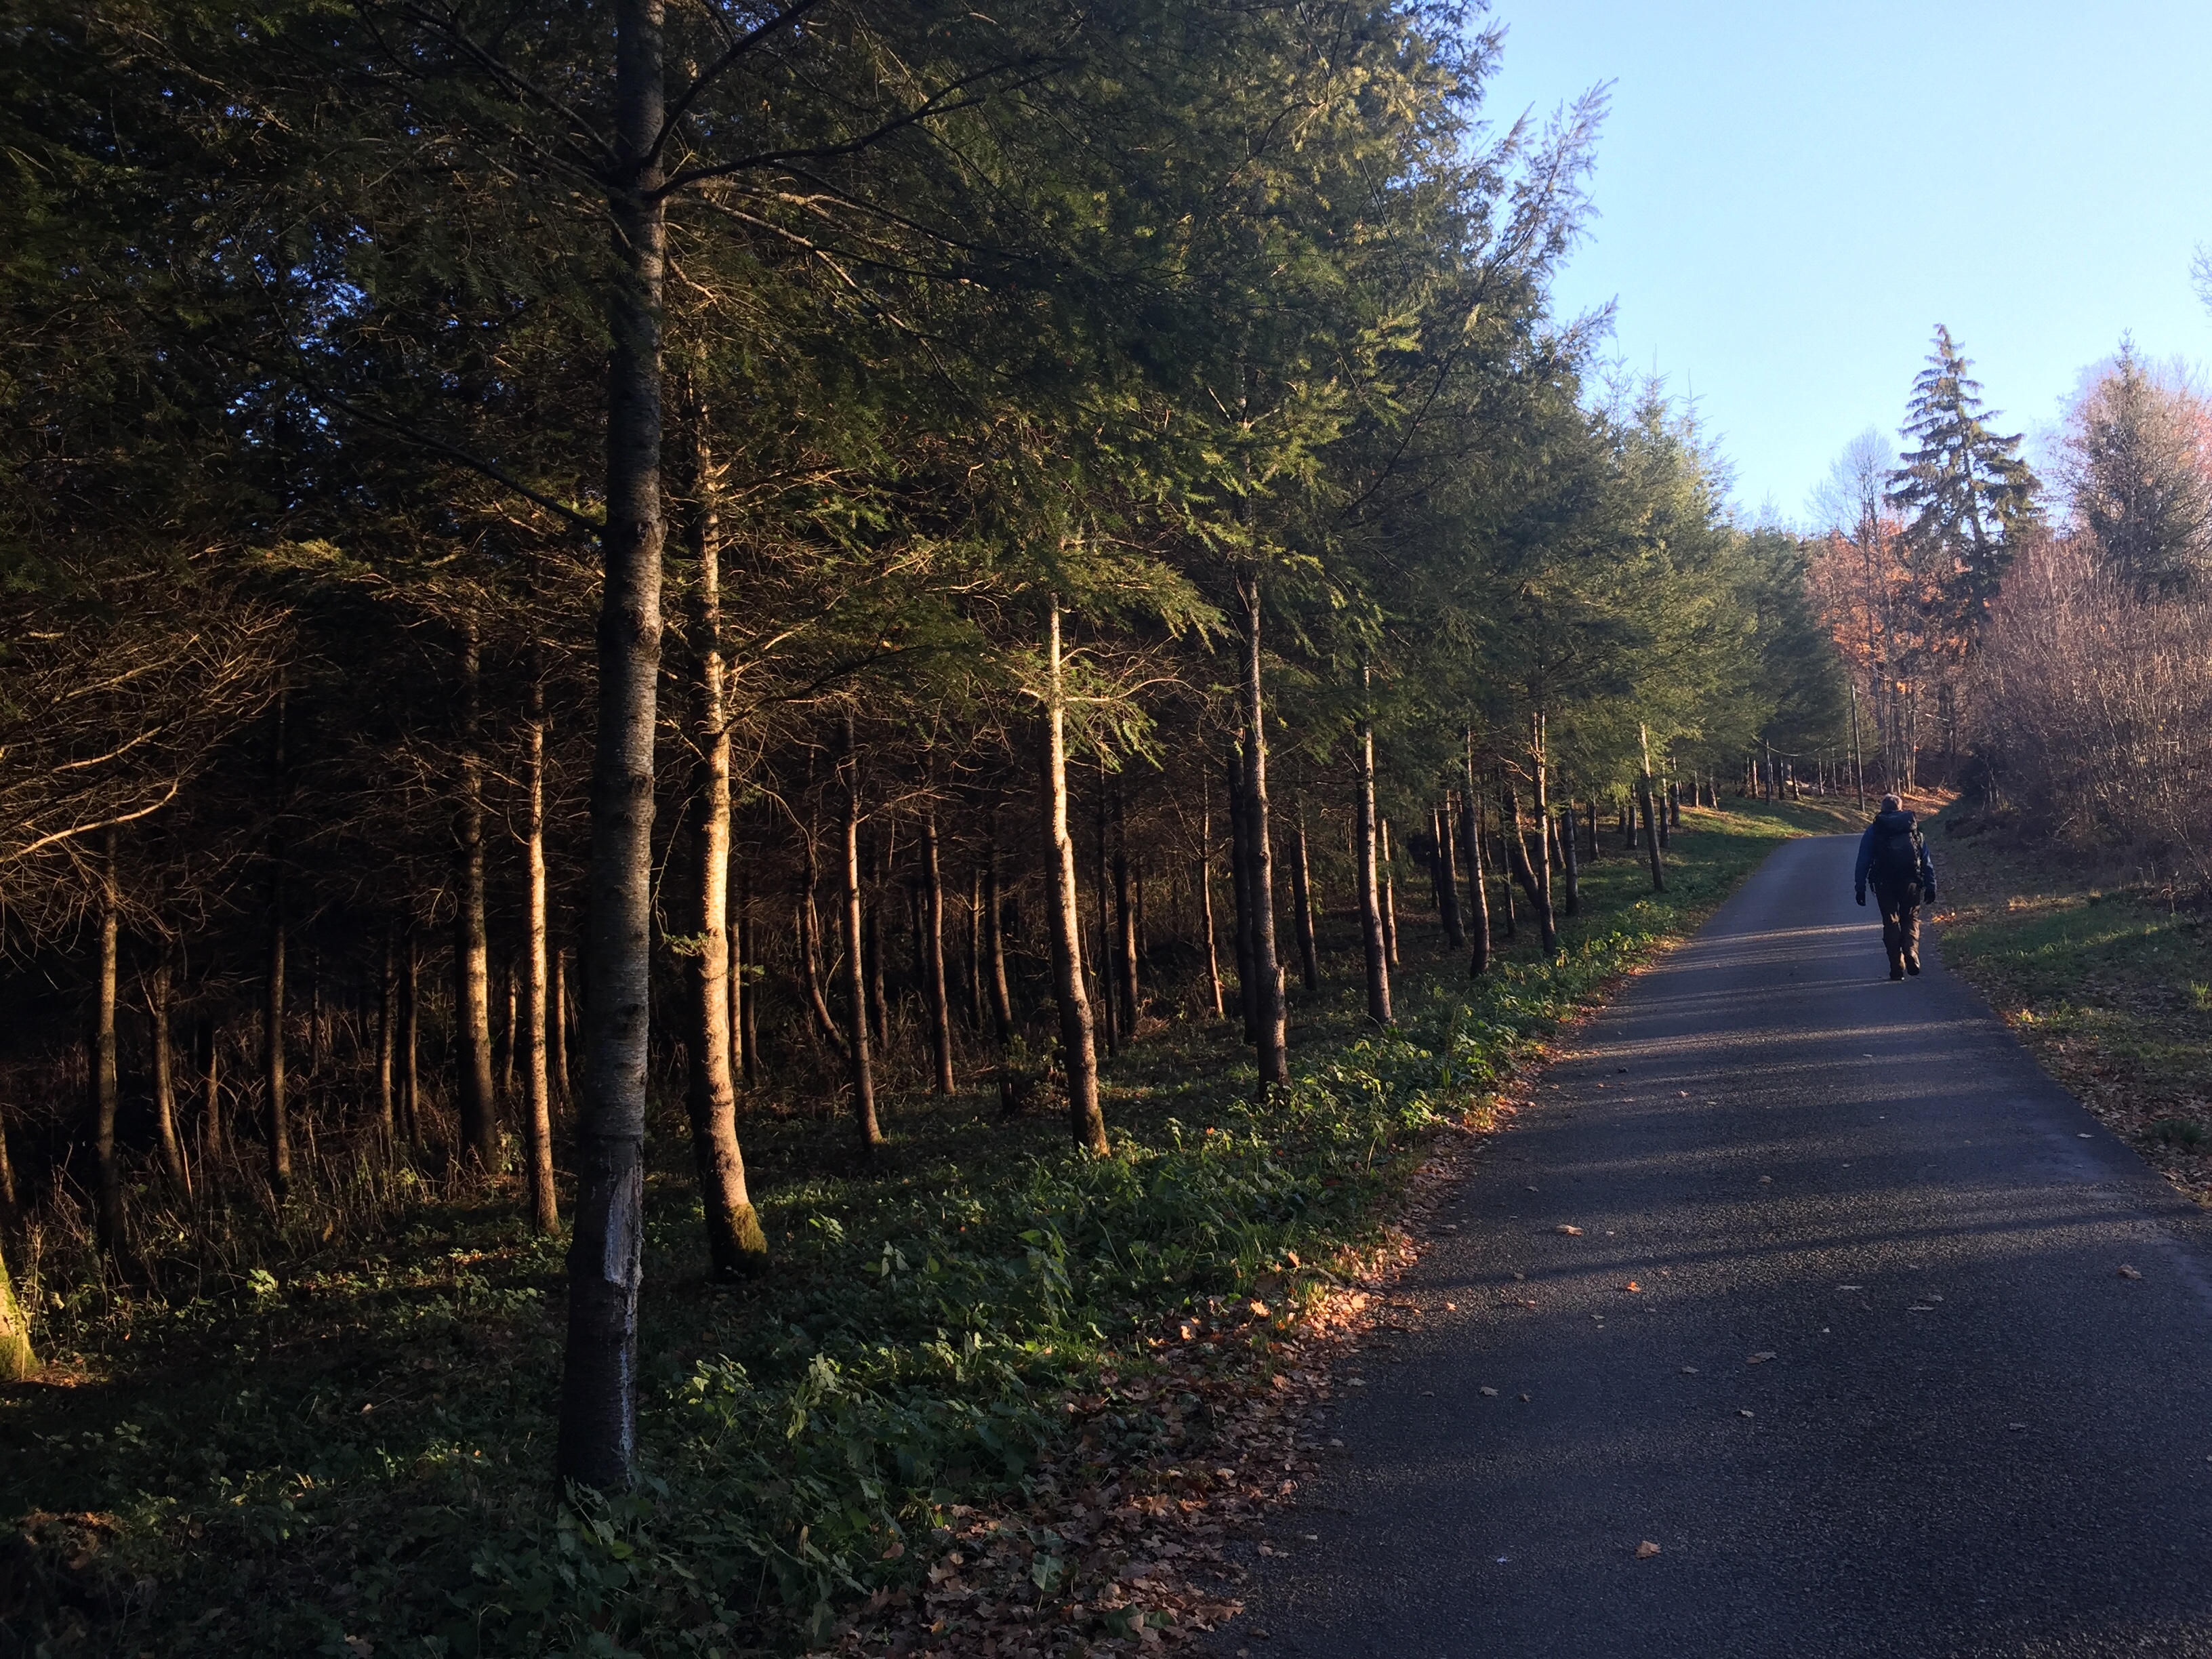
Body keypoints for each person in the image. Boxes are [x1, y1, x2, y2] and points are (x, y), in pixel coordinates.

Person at [1854, 792, 1937, 981]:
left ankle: (1896, 967)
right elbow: (1925, 860)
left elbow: (1863, 860)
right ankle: (1911, 951)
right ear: (1900, 808)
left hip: (1883, 882)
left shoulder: (1875, 829)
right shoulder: (1912, 829)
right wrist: (1931, 885)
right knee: (1911, 918)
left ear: (1882, 809)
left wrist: (1860, 887)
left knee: (1890, 922)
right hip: (1911, 881)